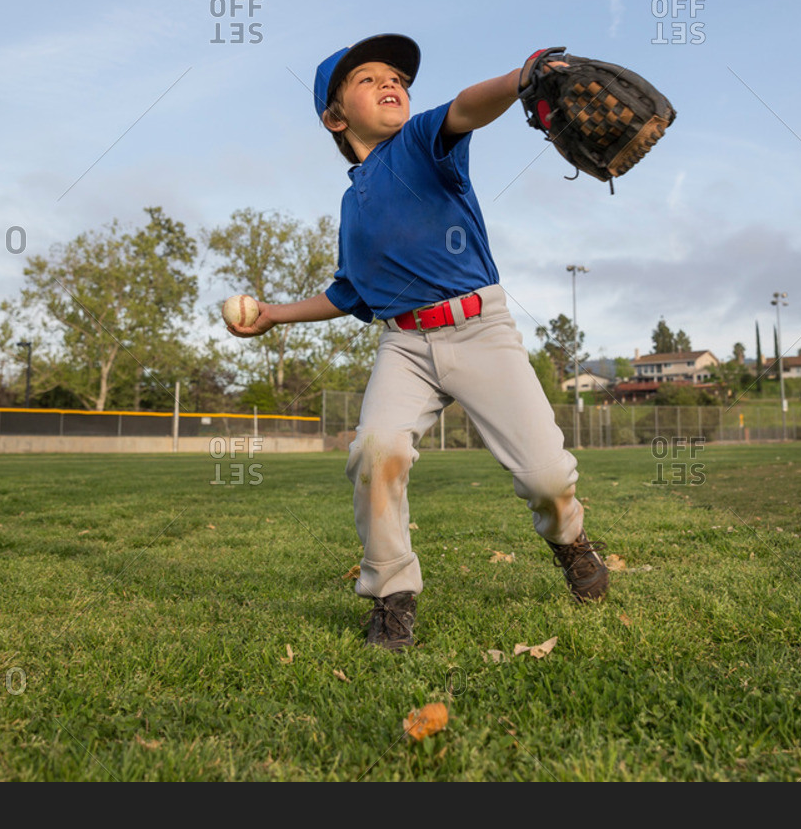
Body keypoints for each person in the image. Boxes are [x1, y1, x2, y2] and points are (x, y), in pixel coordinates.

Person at [229, 33, 607, 649]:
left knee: (545, 474)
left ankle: (570, 539)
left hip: (480, 328)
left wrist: (523, 78)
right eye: (368, 79)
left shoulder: (421, 145)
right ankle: (391, 595)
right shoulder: (353, 204)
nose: (391, 84)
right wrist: (274, 314)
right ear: (334, 116)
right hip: (403, 344)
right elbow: (349, 292)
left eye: (398, 79)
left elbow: (464, 108)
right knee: (376, 452)